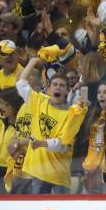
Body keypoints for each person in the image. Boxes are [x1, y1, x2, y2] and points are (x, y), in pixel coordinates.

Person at [15, 57, 87, 194]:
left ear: (67, 91)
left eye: (62, 85)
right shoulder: (39, 101)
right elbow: (20, 83)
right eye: (55, 84)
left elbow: (62, 145)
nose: (58, 87)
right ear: (48, 89)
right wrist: (33, 62)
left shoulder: (72, 113)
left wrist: (41, 143)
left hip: (59, 175)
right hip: (38, 172)